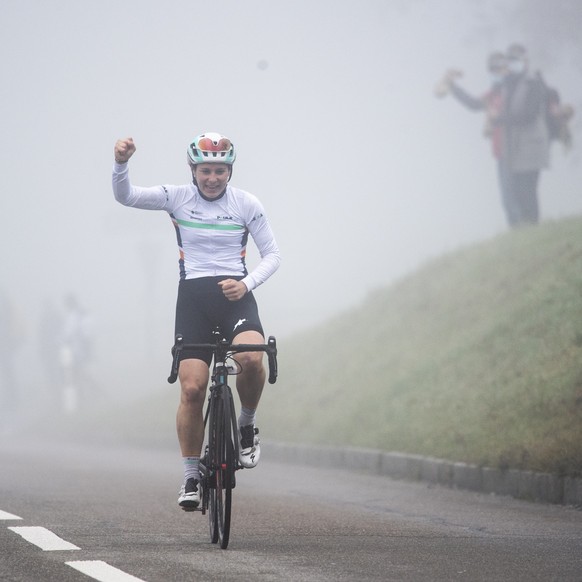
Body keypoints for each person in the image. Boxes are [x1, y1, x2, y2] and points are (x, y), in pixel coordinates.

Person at [112, 133, 281, 510]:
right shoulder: (176, 198)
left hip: (236, 296)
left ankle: (246, 423)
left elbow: (272, 254)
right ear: (193, 169)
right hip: (192, 299)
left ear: (229, 171)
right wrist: (121, 163)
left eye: (220, 170)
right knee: (192, 389)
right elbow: (126, 196)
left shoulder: (246, 203)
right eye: (206, 170)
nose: (213, 178)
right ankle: (190, 474)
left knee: (253, 358)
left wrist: (246, 283)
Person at [436, 52, 516, 224]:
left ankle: (526, 233)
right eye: (492, 69)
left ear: (507, 68)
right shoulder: (494, 93)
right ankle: (519, 235)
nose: (496, 73)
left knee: (516, 197)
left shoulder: (514, 90)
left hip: (515, 148)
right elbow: (473, 104)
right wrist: (453, 87)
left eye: (499, 68)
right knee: (507, 199)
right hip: (500, 150)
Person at [492, 43, 550, 225]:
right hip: (515, 148)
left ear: (525, 61)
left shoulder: (534, 82)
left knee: (528, 189)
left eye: (516, 59)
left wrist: (501, 119)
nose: (512, 64)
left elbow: (530, 114)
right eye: (510, 60)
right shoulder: (508, 84)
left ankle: (532, 225)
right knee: (516, 189)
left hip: (532, 146)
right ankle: (526, 227)